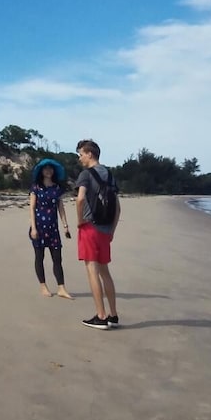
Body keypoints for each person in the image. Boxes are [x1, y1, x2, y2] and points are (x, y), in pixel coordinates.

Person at [74, 139, 121, 329]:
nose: (80, 158)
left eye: (81, 154)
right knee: (105, 272)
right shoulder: (109, 174)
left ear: (89, 154)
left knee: (92, 270)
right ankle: (113, 315)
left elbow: (80, 199)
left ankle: (101, 316)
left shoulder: (86, 174)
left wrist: (79, 221)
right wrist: (112, 231)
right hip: (106, 229)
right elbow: (117, 208)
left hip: (90, 227)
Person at [29, 158, 73, 299]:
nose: (48, 170)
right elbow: (32, 208)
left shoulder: (57, 188)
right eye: (45, 168)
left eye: (50, 168)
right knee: (39, 257)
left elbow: (60, 207)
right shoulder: (36, 187)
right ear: (41, 171)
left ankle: (61, 288)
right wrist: (33, 228)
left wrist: (65, 225)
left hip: (53, 229)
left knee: (57, 258)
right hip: (39, 228)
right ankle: (43, 286)